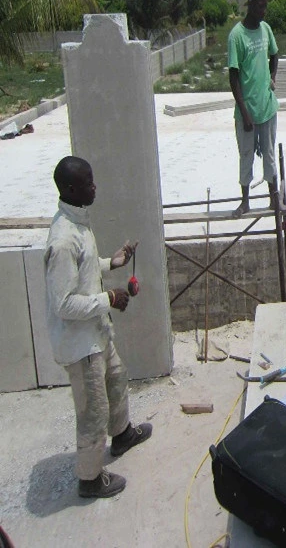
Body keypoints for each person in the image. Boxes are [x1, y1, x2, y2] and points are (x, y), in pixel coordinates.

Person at [44, 156, 152, 499]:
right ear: (73, 189)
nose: (95, 187)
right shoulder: (62, 241)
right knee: (93, 410)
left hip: (96, 333)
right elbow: (63, 304)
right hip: (80, 344)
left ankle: (121, 435)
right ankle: (89, 478)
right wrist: (109, 297)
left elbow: (86, 270)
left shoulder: (78, 223)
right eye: (89, 183)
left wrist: (112, 261)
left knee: (117, 379)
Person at [228, 0, 280, 216]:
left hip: (267, 108)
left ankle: (274, 199)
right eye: (260, 6)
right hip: (247, 113)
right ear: (250, 6)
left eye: (265, 6)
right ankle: (245, 201)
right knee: (246, 156)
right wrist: (245, 114)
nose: (263, 11)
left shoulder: (266, 29)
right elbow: (233, 77)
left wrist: (272, 77)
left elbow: (275, 55)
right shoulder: (236, 36)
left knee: (269, 155)